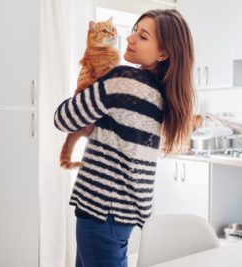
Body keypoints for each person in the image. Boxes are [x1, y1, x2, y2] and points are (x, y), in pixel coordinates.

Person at [54, 9, 195, 267]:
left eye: (142, 36)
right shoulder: (159, 93)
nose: (130, 39)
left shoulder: (124, 80)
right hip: (123, 214)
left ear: (163, 53)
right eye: (134, 31)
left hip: (100, 210)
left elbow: (63, 118)